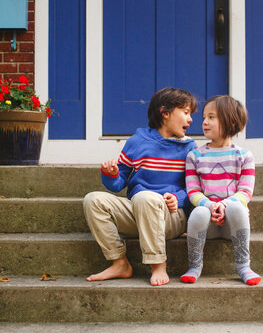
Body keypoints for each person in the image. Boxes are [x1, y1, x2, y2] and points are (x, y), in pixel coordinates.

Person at [83, 87, 197, 286]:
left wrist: (178, 198)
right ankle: (119, 263)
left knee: (145, 197)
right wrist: (111, 174)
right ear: (165, 112)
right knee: (93, 200)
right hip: (138, 211)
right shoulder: (136, 142)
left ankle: (158, 263)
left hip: (170, 216)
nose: (190, 120)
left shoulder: (190, 148)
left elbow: (195, 188)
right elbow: (118, 184)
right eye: (186, 113)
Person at [180, 95, 261, 285]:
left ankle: (243, 265)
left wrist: (223, 205)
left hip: (232, 225)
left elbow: (245, 193)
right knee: (198, 211)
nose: (204, 122)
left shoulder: (244, 156)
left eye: (211, 117)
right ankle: (195, 265)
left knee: (237, 207)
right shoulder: (195, 156)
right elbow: (193, 192)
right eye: (204, 118)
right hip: (206, 225)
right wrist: (210, 206)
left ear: (230, 120)